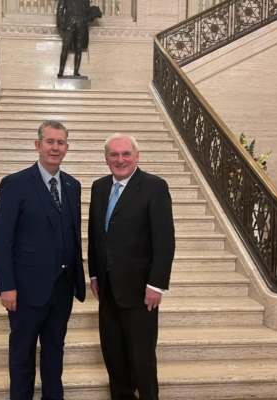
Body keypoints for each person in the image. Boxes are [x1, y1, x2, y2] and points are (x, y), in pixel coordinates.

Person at [0, 120, 86, 400]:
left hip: (62, 288)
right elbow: (2, 239)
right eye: (50, 142)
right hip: (26, 290)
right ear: (38, 145)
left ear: (66, 148)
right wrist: (6, 285)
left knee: (54, 352)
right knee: (22, 355)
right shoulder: (15, 184)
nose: (55, 148)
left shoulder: (72, 185)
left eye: (60, 143)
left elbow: (72, 233)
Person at [87, 133, 175, 400]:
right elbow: (94, 234)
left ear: (137, 156)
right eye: (114, 155)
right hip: (108, 288)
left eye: (126, 154)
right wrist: (93, 273)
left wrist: (156, 284)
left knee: (142, 359)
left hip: (140, 291)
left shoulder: (154, 187)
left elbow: (165, 240)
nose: (120, 159)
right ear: (106, 159)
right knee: (114, 356)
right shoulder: (99, 187)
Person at [56, 0, 90, 77]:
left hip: (81, 22)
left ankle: (76, 71)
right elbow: (60, 8)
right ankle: (61, 71)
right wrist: (60, 22)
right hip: (69, 22)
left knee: (79, 48)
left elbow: (87, 9)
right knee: (65, 47)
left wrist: (92, 14)